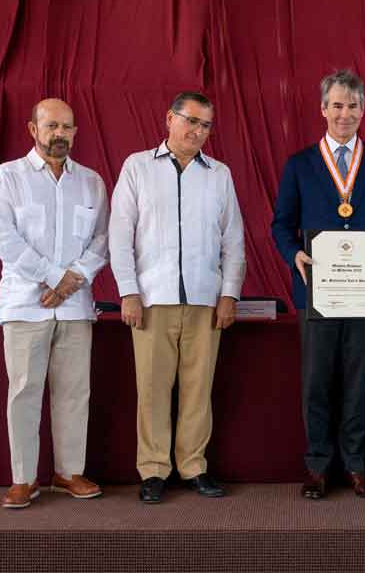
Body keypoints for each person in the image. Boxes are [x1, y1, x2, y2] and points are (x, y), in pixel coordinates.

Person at [271, 69, 365, 499]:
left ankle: (356, 465)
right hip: (317, 291)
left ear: (363, 110)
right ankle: (317, 466)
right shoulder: (300, 165)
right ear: (323, 109)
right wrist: (294, 254)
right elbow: (281, 225)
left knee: (359, 378)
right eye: (337, 105)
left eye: (352, 105)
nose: (344, 113)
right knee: (317, 381)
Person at [109, 92, 245, 504]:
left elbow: (233, 241)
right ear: (169, 118)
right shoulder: (137, 167)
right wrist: (128, 291)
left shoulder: (219, 174)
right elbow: (120, 235)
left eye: (205, 125)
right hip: (151, 298)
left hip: (205, 300)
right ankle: (152, 471)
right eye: (191, 121)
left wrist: (229, 294)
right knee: (151, 388)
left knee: (197, 388)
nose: (197, 131)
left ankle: (194, 466)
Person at [0, 99, 108, 508]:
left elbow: (100, 242)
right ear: (32, 129)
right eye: (52, 126)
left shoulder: (91, 182)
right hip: (26, 304)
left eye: (68, 127)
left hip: (75, 306)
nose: (60, 134)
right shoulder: (7, 178)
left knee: (75, 391)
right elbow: (3, 239)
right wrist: (57, 278)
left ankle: (68, 471)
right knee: (24, 391)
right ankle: (23, 478)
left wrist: (70, 282)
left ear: (76, 132)